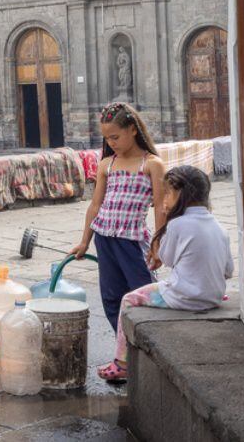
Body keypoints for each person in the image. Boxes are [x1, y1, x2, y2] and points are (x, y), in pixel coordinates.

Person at [100, 166, 232, 382]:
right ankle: (205, 292)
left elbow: (167, 259)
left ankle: (121, 362)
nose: (164, 198)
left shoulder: (178, 224)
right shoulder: (219, 227)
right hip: (213, 297)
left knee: (128, 299)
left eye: (168, 193)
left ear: (181, 195)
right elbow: (228, 271)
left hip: (183, 297)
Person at [70, 102, 166, 332]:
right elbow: (95, 206)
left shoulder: (151, 164)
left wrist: (158, 244)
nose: (111, 143)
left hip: (132, 242)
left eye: (115, 137)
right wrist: (85, 241)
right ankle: (122, 352)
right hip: (104, 239)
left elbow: (161, 207)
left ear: (133, 129)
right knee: (111, 298)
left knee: (142, 293)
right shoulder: (106, 164)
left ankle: (148, 344)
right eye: (107, 139)